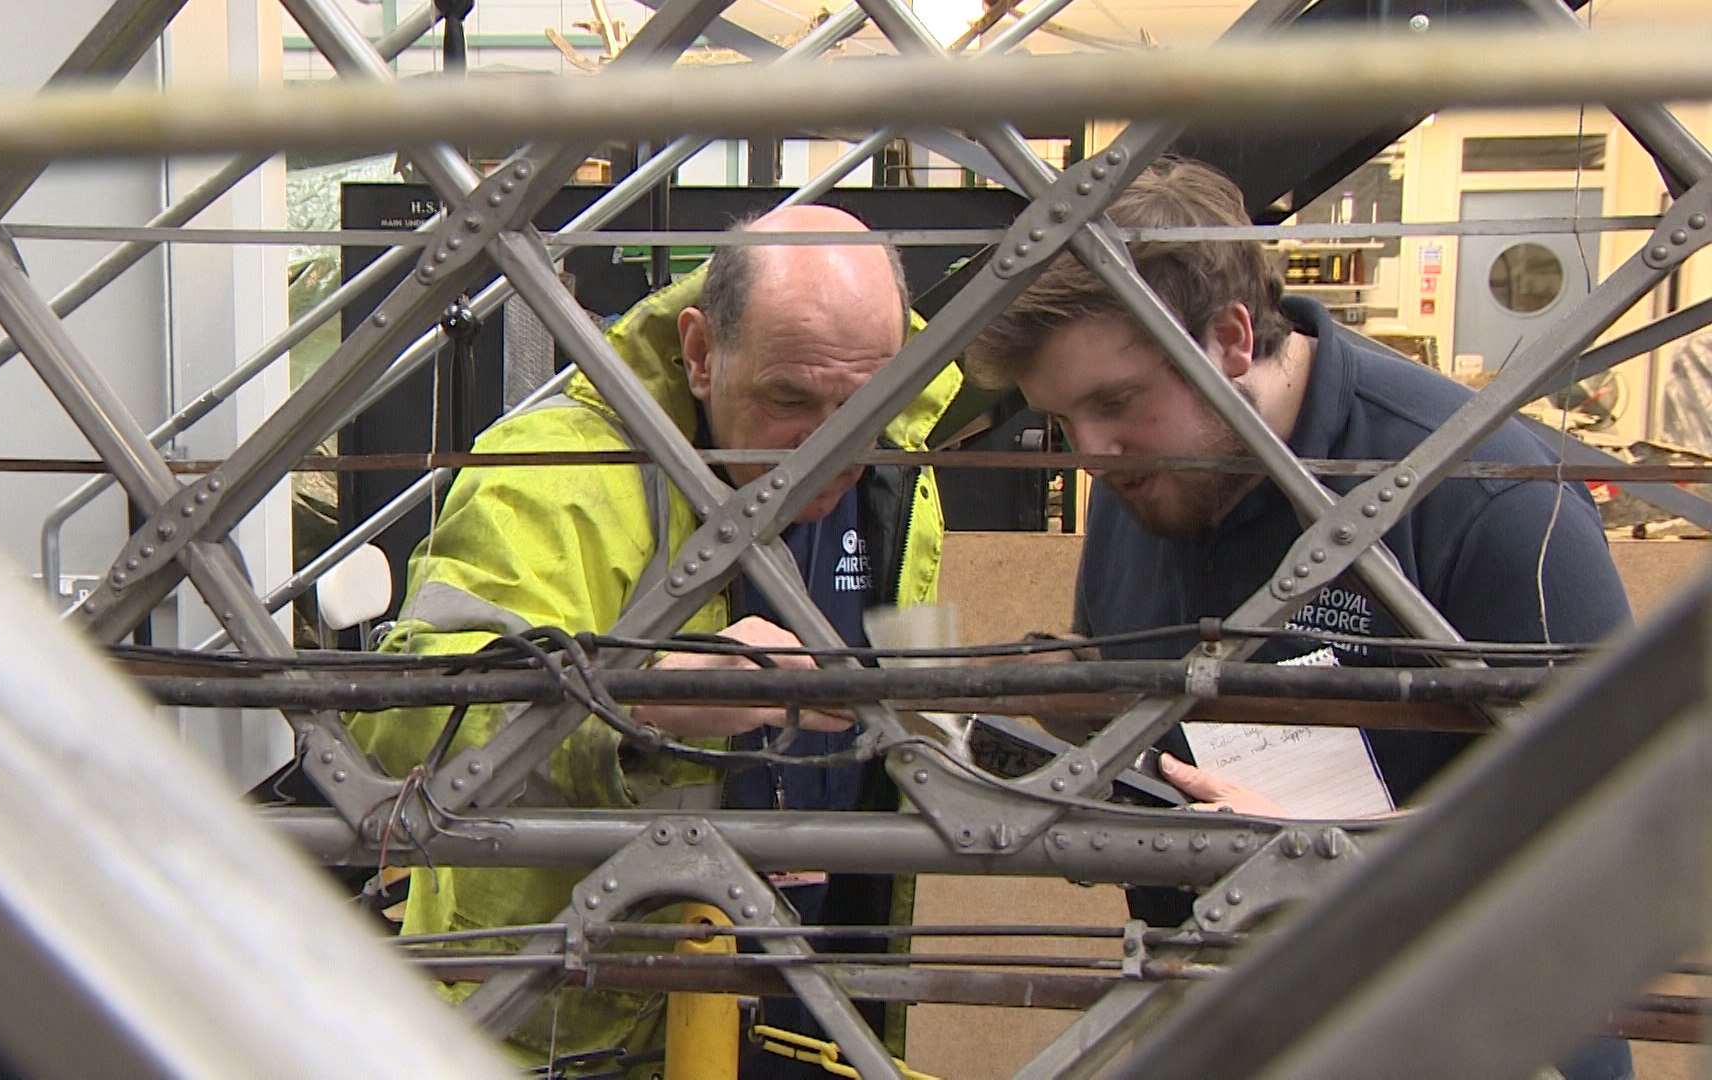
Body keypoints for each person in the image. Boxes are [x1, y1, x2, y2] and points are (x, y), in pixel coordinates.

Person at [964, 156, 1634, 1080]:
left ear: (1231, 336)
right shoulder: (1143, 488)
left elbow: (1624, 810)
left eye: (1115, 404)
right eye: (1061, 421)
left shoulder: (1478, 491)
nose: (1093, 455)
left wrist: (1329, 864)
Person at [348, 204, 955, 1076]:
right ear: (702, 354)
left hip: (816, 1004)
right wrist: (638, 700)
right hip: (572, 1032)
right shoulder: (555, 476)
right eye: (790, 400)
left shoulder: (902, 476)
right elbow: (404, 726)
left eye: (868, 402)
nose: (837, 445)